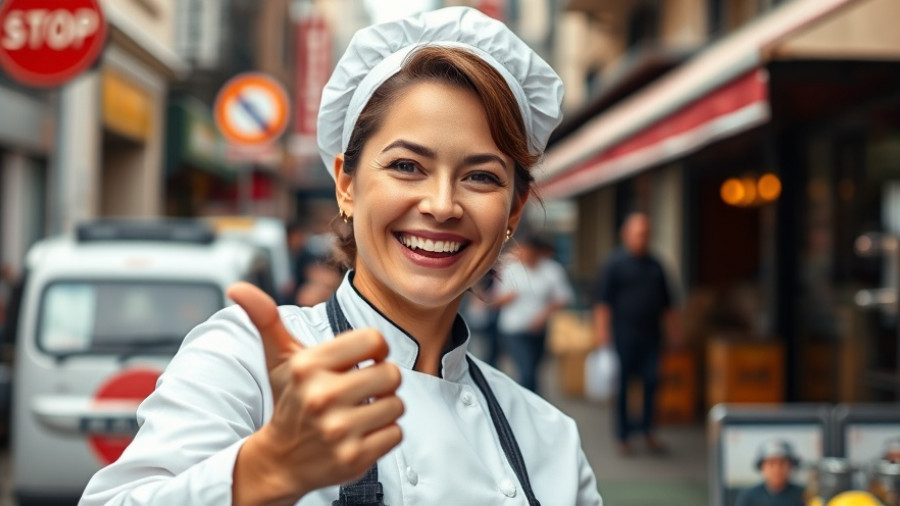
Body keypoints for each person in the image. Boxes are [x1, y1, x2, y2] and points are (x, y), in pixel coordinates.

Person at [80, 7, 600, 505]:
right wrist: (264, 471)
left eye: (481, 177)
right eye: (406, 166)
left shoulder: (549, 440)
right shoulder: (246, 362)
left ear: (513, 212)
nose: (442, 206)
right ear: (347, 185)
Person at [592, 212, 680, 455]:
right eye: (639, 233)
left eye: (646, 234)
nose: (643, 238)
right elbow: (602, 304)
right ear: (626, 235)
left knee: (653, 381)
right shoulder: (614, 264)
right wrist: (602, 337)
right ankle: (623, 436)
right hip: (623, 335)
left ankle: (647, 429)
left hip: (651, 335)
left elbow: (668, 304)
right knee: (622, 387)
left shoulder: (656, 264)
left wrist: (675, 334)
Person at [495, 235, 573, 393]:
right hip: (514, 328)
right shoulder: (511, 270)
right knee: (526, 371)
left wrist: (544, 314)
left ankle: (533, 404)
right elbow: (494, 300)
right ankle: (526, 403)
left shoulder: (552, 270)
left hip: (539, 330)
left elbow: (564, 297)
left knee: (535, 370)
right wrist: (507, 298)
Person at [735, 439, 805, 506]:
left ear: (791, 466)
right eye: (771, 463)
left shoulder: (804, 495)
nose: (777, 469)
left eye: (782, 463)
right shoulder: (748, 497)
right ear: (762, 467)